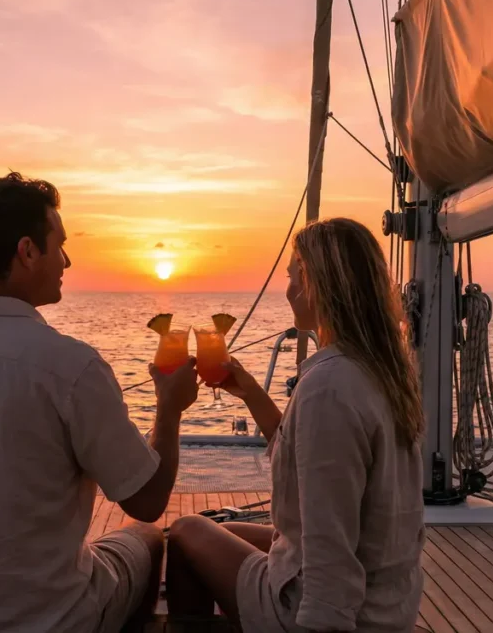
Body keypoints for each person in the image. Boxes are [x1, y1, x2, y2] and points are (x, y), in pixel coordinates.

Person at [0, 172, 199, 632]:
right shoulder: (71, 368)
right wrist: (169, 408)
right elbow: (148, 501)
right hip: (49, 621)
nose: (67, 260)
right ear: (28, 252)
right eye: (61, 245)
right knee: (148, 538)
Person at [165, 217, 426, 632]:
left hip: (333, 615)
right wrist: (250, 391)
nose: (286, 289)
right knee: (232, 530)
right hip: (388, 601)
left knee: (185, 532)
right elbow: (304, 457)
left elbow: (329, 549)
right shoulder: (381, 370)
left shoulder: (328, 386)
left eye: (292, 275)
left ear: (313, 282)